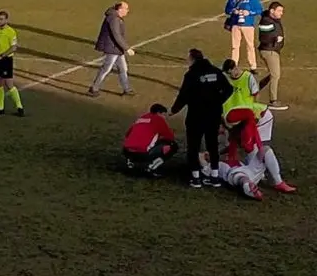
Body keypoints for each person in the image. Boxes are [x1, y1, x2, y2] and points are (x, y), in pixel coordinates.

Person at [220, 58, 297, 193]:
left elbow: (254, 95)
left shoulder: (246, 78)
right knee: (255, 147)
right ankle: (273, 178)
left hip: (256, 116)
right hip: (247, 117)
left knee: (252, 145)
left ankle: (274, 179)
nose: (231, 74)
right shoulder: (227, 83)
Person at [171, 48, 232, 188]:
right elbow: (229, 89)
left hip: (196, 116)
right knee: (212, 145)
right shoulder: (216, 72)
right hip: (213, 115)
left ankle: (196, 177)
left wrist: (174, 110)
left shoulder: (191, 74)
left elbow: (183, 96)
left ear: (192, 59)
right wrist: (218, 101)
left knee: (194, 146)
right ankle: (215, 176)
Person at [88, 1, 135, 97]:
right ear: (120, 9)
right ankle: (94, 88)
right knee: (106, 68)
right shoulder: (114, 19)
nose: (128, 11)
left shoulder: (116, 18)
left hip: (116, 48)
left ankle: (127, 89)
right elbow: (116, 35)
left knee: (123, 68)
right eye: (126, 9)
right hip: (112, 48)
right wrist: (127, 48)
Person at [121, 104, 178, 177]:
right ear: (159, 113)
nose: (165, 117)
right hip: (142, 153)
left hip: (127, 151)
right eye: (164, 115)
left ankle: (130, 162)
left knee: (134, 143)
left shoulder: (141, 118)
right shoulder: (159, 119)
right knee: (173, 146)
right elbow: (170, 137)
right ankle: (151, 167)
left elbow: (128, 134)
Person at [0, 10, 25, 116]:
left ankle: (19, 107)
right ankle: (0, 108)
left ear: (6, 20)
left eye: (1, 19)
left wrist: (2, 56)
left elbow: (13, 47)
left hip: (6, 60)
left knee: (9, 84)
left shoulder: (11, 32)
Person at [224, 0, 264, 72]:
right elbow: (227, 10)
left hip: (248, 25)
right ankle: (233, 65)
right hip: (235, 25)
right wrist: (234, 11)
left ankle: (253, 66)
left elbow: (259, 10)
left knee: (250, 45)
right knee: (235, 46)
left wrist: (249, 12)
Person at [257, 1, 288, 110]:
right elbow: (263, 38)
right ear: (272, 11)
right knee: (275, 75)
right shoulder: (266, 21)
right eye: (279, 11)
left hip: (273, 50)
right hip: (269, 51)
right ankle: (273, 101)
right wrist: (275, 40)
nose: (281, 13)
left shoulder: (273, 20)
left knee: (274, 74)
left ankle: (255, 88)